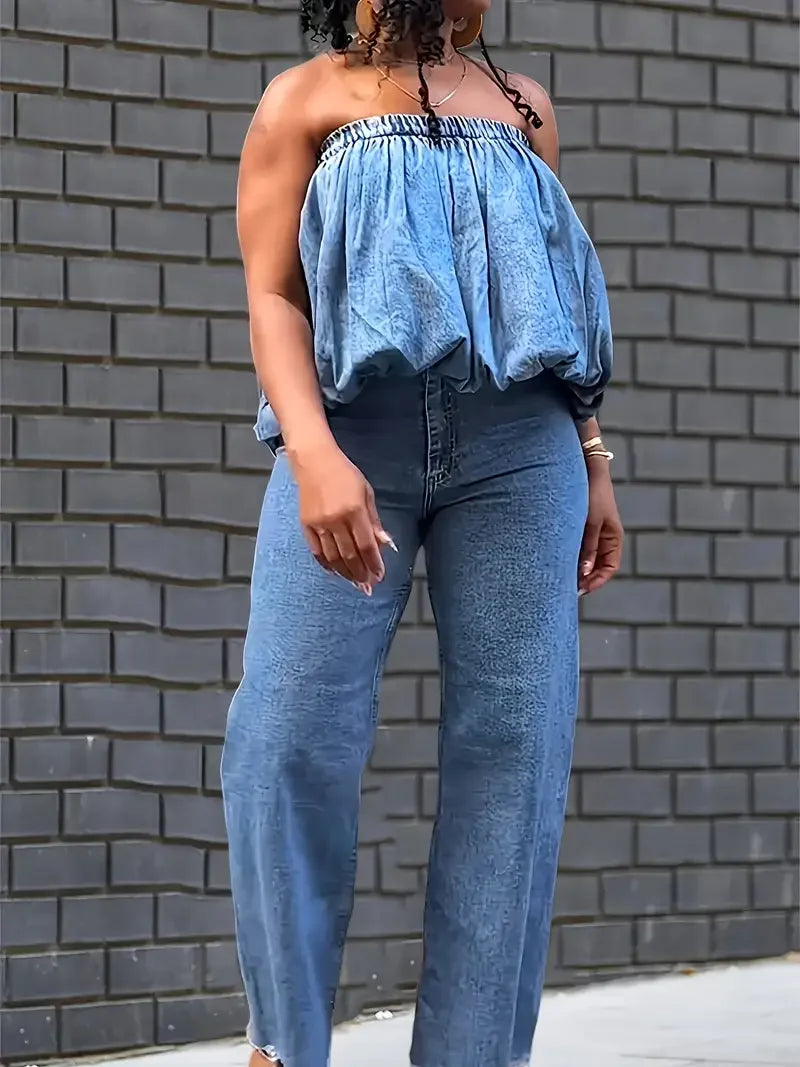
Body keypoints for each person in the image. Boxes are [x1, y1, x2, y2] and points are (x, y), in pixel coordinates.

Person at [221, 1, 623, 1064]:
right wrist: (310, 452)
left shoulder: (521, 105)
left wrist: (590, 453)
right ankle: (284, 1041)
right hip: (355, 431)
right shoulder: (302, 100)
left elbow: (551, 290)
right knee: (289, 730)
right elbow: (274, 297)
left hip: (520, 445)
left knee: (515, 744)